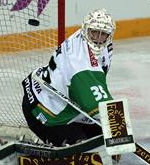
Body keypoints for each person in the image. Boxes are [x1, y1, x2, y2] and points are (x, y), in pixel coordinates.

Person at [22, 8, 115, 147]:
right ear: (86, 29)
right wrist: (118, 127)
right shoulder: (79, 61)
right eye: (94, 32)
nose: (97, 38)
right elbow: (94, 104)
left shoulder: (94, 44)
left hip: (67, 107)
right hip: (45, 110)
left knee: (102, 138)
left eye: (103, 34)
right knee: (83, 145)